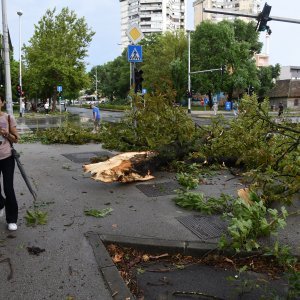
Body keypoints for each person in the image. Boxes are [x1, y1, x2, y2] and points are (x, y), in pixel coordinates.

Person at [0, 97, 20, 231]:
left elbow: (16, 139)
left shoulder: (8, 118)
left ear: (2, 102)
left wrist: (7, 134)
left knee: (8, 188)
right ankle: (1, 203)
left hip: (6, 157)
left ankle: (11, 219)